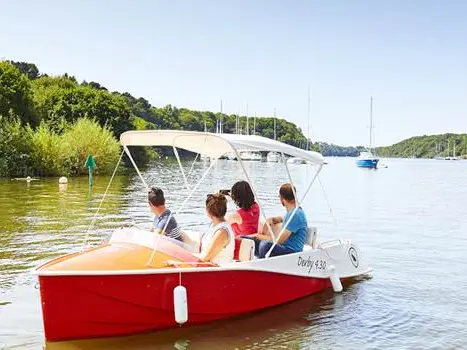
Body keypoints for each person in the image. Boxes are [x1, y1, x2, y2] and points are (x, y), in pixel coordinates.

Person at [250, 183, 308, 258]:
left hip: (291, 252)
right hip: (284, 249)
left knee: (265, 245)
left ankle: (259, 265)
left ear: (281, 198)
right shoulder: (292, 212)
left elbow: (279, 241)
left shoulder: (295, 215)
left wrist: (261, 236)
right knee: (249, 239)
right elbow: (283, 219)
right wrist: (274, 219)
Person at [199, 193, 235, 264]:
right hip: (209, 268)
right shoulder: (214, 226)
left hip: (217, 271)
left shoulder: (222, 232)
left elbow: (205, 257)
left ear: (208, 212)